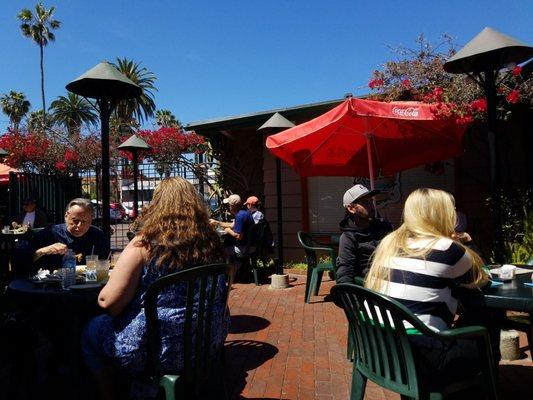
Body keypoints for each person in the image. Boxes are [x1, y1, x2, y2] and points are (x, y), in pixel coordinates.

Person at [82, 177, 227, 400]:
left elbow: (108, 303)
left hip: (156, 351)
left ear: (157, 204)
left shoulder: (145, 243)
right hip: (205, 343)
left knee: (91, 329)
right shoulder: (213, 244)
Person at [364, 188, 495, 379]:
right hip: (423, 358)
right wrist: (469, 242)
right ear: (442, 214)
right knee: (489, 315)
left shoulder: (388, 243)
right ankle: (488, 386)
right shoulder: (448, 249)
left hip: (380, 352)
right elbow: (482, 280)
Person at [336, 184, 392, 283]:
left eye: (371, 201)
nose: (372, 206)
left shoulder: (383, 227)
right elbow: (344, 276)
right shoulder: (348, 238)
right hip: (374, 287)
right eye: (366, 202)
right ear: (351, 208)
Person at [32, 198, 109, 268]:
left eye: (84, 221)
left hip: (90, 281)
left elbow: (105, 262)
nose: (79, 226)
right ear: (66, 216)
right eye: (75, 221)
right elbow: (25, 261)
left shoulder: (97, 235)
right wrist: (44, 251)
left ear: (91, 220)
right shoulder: (49, 234)